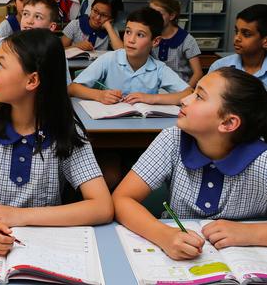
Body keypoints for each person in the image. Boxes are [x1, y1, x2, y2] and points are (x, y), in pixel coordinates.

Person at [0, 29, 113, 256]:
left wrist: (21, 216)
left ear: (32, 80)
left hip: (42, 247)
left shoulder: (65, 130)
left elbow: (102, 207)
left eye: (1, 66)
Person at [113, 68, 267, 260]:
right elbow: (121, 198)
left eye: (199, 96)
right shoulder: (173, 139)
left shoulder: (262, 160)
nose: (184, 100)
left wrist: (252, 233)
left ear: (228, 123)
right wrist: (163, 235)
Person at [68, 7, 192, 105]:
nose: (131, 40)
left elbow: (189, 93)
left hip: (144, 126)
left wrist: (151, 98)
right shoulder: (109, 59)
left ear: (155, 41)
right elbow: (73, 88)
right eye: (128, 32)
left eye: (140, 35)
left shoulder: (158, 68)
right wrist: (99, 95)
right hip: (108, 123)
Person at [0, 0, 70, 102]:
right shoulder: (1, 46)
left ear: (51, 27)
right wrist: (1, 98)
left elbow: (65, 89)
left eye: (37, 17)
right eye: (26, 14)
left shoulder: (55, 52)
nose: (29, 21)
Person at [149, 0, 203, 88]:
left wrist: (185, 92)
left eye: (159, 14)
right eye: (150, 13)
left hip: (179, 87)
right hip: (155, 87)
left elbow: (198, 73)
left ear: (172, 16)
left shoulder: (187, 39)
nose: (153, 18)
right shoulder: (149, 35)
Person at [208, 4, 267, 87]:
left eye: (246, 34)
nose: (236, 38)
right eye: (236, 31)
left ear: (265, 42)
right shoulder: (219, 67)